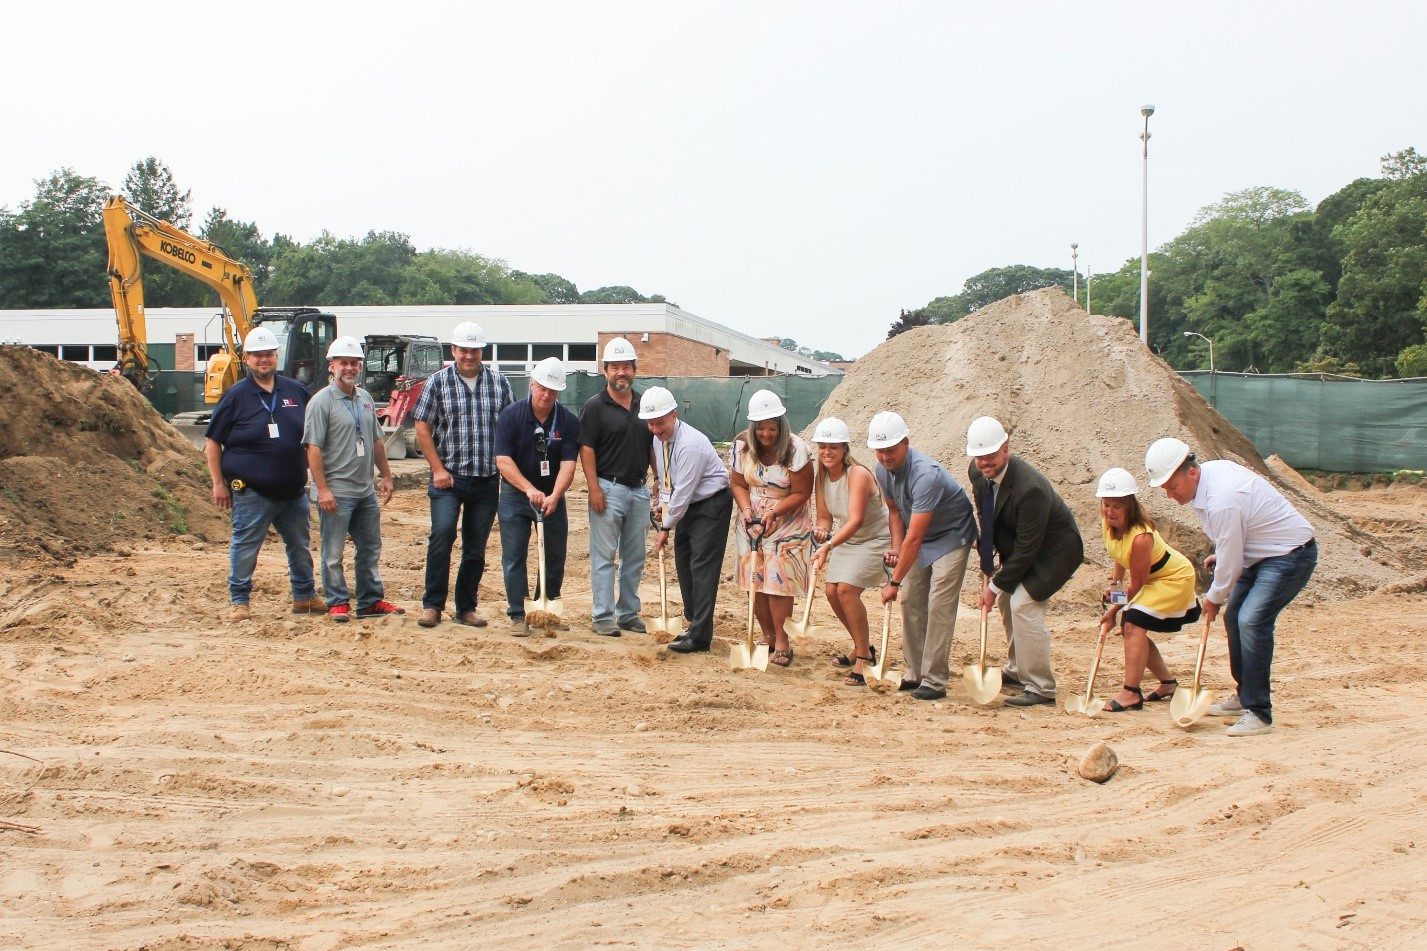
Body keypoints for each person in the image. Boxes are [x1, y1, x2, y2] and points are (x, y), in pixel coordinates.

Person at [1146, 437, 1317, 737]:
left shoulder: (1222, 497)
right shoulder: (1208, 481)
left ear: (1192, 473)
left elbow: (1231, 559)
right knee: (1233, 618)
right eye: (1166, 490)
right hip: (1259, 555)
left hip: (1289, 555)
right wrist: (1222, 555)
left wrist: (1213, 597)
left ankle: (1260, 712)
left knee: (1251, 621)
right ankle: (1244, 695)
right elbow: (1233, 541)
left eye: (1172, 488)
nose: (1170, 496)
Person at [203, 326, 323, 621]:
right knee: (245, 546)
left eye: (268, 354)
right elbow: (212, 443)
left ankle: (304, 596)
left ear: (276, 357)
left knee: (300, 545)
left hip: (293, 491)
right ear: (247, 359)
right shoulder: (235, 396)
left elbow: (314, 436)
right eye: (257, 355)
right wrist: (218, 483)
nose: (263, 360)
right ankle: (239, 600)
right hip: (252, 492)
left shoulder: (295, 391)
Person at [966, 416, 1083, 707]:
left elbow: (1028, 549)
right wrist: (987, 556)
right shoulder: (978, 472)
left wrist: (993, 587)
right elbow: (985, 511)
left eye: (991, 455)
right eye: (980, 457)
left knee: (1023, 605)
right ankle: (1018, 669)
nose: (985, 463)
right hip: (1022, 545)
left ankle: (1042, 687)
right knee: (1008, 600)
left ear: (1006, 450)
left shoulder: (1030, 490)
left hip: (1056, 552)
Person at [867, 411, 978, 701]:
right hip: (919, 536)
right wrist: (895, 546)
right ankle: (914, 672)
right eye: (880, 451)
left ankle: (934, 679)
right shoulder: (881, 470)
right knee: (911, 599)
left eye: (890, 449)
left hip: (951, 535)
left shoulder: (926, 475)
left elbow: (915, 537)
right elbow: (894, 512)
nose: (885, 456)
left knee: (939, 601)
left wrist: (893, 582)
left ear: (906, 442)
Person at [411, 321, 513, 629]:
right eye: (463, 350)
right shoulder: (438, 383)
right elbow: (422, 427)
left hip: (485, 479)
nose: (468, 355)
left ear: (482, 351)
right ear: (453, 350)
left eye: (474, 350)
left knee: (475, 547)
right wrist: (437, 469)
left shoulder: (499, 384)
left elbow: (508, 428)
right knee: (442, 535)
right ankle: (433, 605)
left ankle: (466, 607)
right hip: (449, 479)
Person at [303, 336, 403, 622]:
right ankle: (337, 601)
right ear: (332, 366)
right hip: (337, 491)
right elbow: (313, 447)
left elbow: (376, 440)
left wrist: (385, 476)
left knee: (370, 548)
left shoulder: (366, 399)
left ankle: (370, 601)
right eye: (343, 363)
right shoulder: (321, 402)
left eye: (353, 363)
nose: (349, 368)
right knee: (333, 552)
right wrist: (322, 489)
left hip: (365, 491)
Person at [1094, 467, 1201, 712]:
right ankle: (1168, 683)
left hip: (1173, 579)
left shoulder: (1141, 538)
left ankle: (1131, 692)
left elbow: (1138, 585)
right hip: (1152, 579)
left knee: (1132, 623)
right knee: (1134, 625)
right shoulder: (1108, 523)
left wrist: (1113, 609)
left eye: (1116, 507)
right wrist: (1114, 585)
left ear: (1129, 506)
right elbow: (1119, 556)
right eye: (1106, 505)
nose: (1109, 512)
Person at [642, 386, 733, 654]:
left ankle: (701, 636)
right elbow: (668, 480)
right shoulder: (660, 440)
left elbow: (684, 490)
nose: (656, 428)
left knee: (702, 567)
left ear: (674, 415)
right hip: (687, 506)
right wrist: (660, 505)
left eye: (660, 422)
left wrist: (666, 527)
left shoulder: (690, 445)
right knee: (684, 563)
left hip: (710, 505)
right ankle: (694, 623)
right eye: (651, 424)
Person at [494, 357, 580, 637]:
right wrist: (528, 489)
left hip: (552, 497)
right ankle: (518, 614)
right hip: (516, 496)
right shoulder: (511, 416)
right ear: (532, 384)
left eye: (552, 391)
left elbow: (569, 463)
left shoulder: (566, 420)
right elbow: (503, 460)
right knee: (515, 556)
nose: (546, 395)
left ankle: (547, 607)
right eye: (542, 388)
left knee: (555, 556)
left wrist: (555, 494)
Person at [729, 390, 814, 668]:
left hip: (787, 519)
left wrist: (775, 511)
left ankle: (783, 641)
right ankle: (766, 636)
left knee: (779, 582)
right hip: (752, 520)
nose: (766, 434)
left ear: (781, 425)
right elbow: (739, 483)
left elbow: (802, 491)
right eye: (761, 428)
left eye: (772, 428)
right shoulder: (741, 447)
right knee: (756, 579)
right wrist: (747, 510)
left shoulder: (796, 449)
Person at [577, 337, 654, 636]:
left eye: (626, 367)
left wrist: (659, 482)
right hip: (609, 489)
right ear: (605, 370)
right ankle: (602, 616)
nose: (621, 372)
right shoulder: (595, 407)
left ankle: (628, 612)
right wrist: (594, 488)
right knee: (604, 556)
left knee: (634, 557)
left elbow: (653, 445)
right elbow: (587, 449)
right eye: (615, 367)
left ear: (634, 369)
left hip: (639, 490)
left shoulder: (644, 404)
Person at [809, 417, 892, 686]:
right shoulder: (820, 475)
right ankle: (862, 646)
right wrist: (822, 532)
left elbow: (856, 519)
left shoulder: (857, 474)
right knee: (831, 592)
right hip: (848, 538)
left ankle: (863, 659)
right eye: (822, 447)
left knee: (846, 590)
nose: (827, 453)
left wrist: (829, 545)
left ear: (845, 448)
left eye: (833, 447)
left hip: (875, 538)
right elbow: (824, 518)